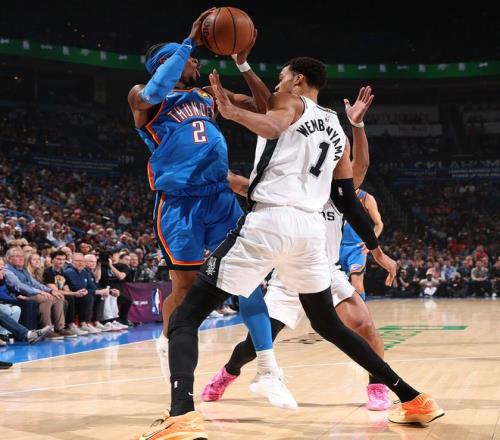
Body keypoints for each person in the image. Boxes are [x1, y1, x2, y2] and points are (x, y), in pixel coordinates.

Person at [137, 59, 443, 439]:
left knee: (185, 316)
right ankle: (413, 398)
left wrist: (232, 112)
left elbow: (272, 123)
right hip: (310, 232)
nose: (276, 85)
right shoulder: (336, 127)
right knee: (328, 325)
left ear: (297, 80)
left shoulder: (288, 102)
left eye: (281, 78)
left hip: (271, 221)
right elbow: (347, 200)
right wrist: (376, 248)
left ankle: (181, 415)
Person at [128, 8, 285, 409]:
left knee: (249, 278)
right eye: (191, 59)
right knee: (184, 287)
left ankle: (269, 369)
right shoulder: (142, 96)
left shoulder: (206, 94)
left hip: (220, 198)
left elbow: (267, 108)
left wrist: (243, 64)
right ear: (168, 61)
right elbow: (154, 91)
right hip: (180, 205)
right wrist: (189, 42)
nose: (197, 62)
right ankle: (170, 347)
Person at [202, 86, 391, 411]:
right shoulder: (289, 189)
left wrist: (357, 126)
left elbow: (360, 165)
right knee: (254, 345)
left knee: (364, 325)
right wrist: (217, 166)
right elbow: (241, 184)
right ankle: (228, 372)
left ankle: (377, 386)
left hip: (325, 270)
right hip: (288, 275)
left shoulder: (337, 190)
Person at [339, 189, 383, 301]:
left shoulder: (366, 198)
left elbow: (379, 224)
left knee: (357, 284)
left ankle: (361, 311)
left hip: (357, 247)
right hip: (336, 246)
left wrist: (370, 241)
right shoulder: (335, 193)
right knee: (336, 285)